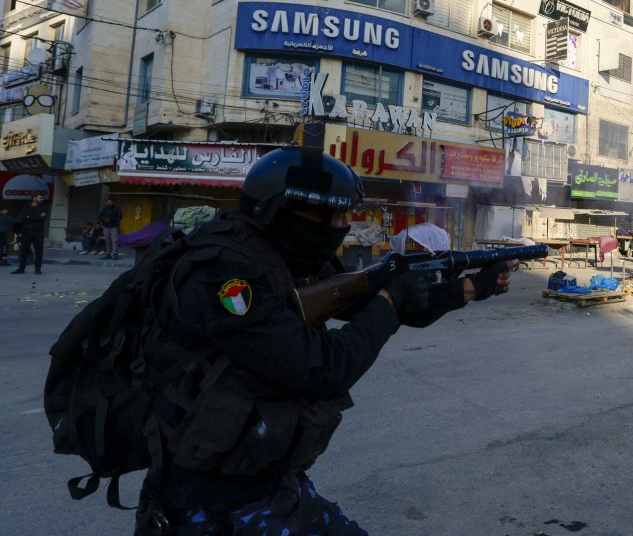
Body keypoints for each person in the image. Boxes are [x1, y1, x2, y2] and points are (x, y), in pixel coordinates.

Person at [133, 148, 515, 535]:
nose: (342, 225)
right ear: (279, 211)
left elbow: (392, 306)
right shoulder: (224, 275)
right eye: (331, 214)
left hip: (268, 481)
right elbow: (322, 367)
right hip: (209, 501)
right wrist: (390, 298)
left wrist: (473, 287)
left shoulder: (288, 258)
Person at [12, 194, 49, 275]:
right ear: (34, 198)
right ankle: (21, 269)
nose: (42, 199)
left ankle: (38, 269)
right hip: (26, 232)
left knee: (38, 252)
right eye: (40, 198)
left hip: (38, 233)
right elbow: (22, 218)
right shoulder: (26, 207)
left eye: (42, 198)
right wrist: (37, 216)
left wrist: (29, 217)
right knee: (24, 251)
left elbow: (43, 218)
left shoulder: (44, 207)